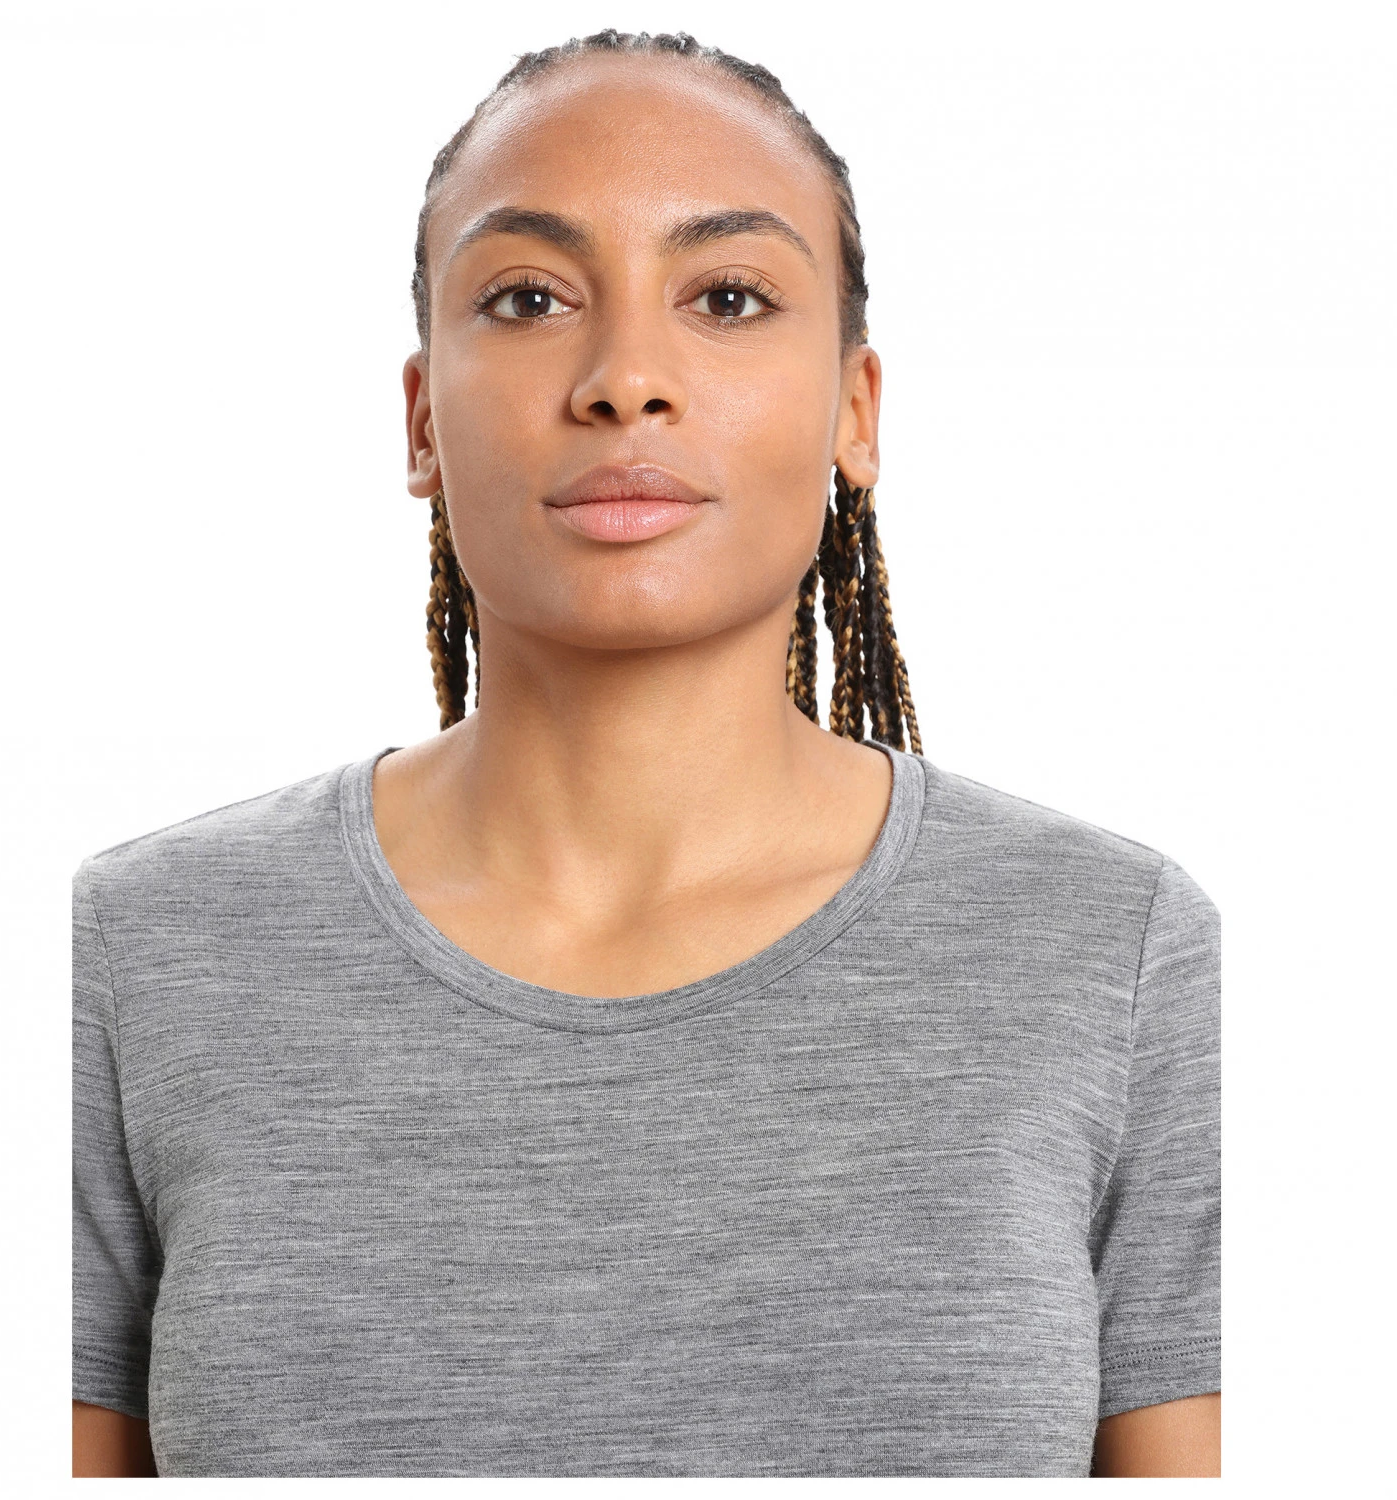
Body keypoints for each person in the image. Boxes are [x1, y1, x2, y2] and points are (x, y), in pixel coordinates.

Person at [72, 29, 1220, 1478]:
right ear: (421, 419)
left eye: (728, 297)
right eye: (529, 298)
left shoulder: (1117, 955)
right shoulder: (136, 957)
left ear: (855, 411)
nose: (626, 380)